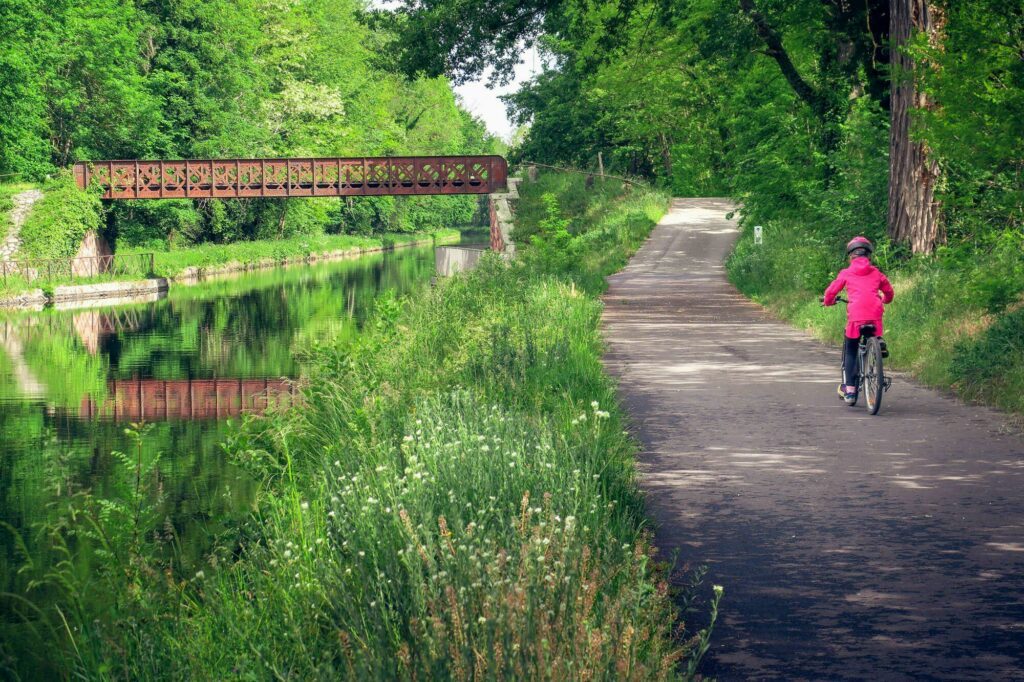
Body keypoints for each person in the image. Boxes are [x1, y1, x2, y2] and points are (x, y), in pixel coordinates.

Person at [822, 237, 894, 404]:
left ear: (851, 256)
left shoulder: (846, 273)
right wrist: (886, 300)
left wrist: (828, 302)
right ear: (869, 255)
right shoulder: (876, 272)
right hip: (874, 313)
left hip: (856, 316)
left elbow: (831, 292)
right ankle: (878, 342)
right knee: (874, 325)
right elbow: (889, 292)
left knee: (851, 349)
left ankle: (850, 391)